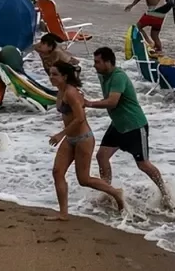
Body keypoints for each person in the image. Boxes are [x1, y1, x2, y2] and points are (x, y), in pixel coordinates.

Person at [85, 47, 171, 207]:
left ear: (108, 62)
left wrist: (88, 103)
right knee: (101, 156)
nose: (94, 65)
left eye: (97, 62)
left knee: (143, 164)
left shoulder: (118, 77)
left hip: (134, 125)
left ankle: (165, 193)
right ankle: (108, 191)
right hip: (118, 125)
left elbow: (112, 102)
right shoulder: (102, 74)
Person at [46, 61, 124, 221]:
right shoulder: (60, 91)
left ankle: (115, 192)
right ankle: (63, 213)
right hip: (70, 138)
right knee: (57, 172)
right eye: (50, 74)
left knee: (84, 179)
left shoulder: (71, 93)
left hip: (83, 139)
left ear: (64, 76)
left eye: (55, 74)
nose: (51, 77)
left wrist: (60, 134)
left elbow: (80, 118)